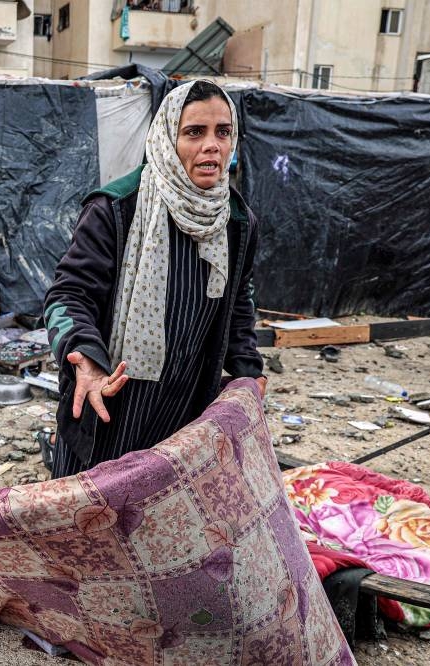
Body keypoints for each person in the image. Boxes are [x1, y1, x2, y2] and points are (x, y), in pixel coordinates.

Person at [43, 80, 265, 477]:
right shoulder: (116, 208)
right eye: (194, 132)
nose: (211, 145)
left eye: (223, 131)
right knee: (87, 518)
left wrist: (248, 372)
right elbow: (69, 295)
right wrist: (86, 361)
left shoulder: (236, 221)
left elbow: (239, 304)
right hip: (110, 399)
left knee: (163, 517)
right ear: (166, 137)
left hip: (186, 403)